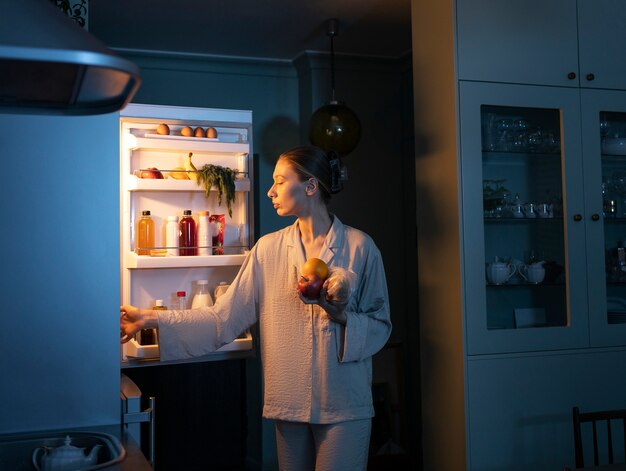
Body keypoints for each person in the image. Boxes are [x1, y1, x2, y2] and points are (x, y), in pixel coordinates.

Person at [120, 145, 392, 471]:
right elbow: (223, 319)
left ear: (310, 186)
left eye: (279, 181)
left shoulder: (360, 247)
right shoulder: (268, 250)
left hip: (344, 404)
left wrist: (341, 315)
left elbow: (380, 323)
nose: (270, 191)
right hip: (289, 401)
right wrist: (151, 318)